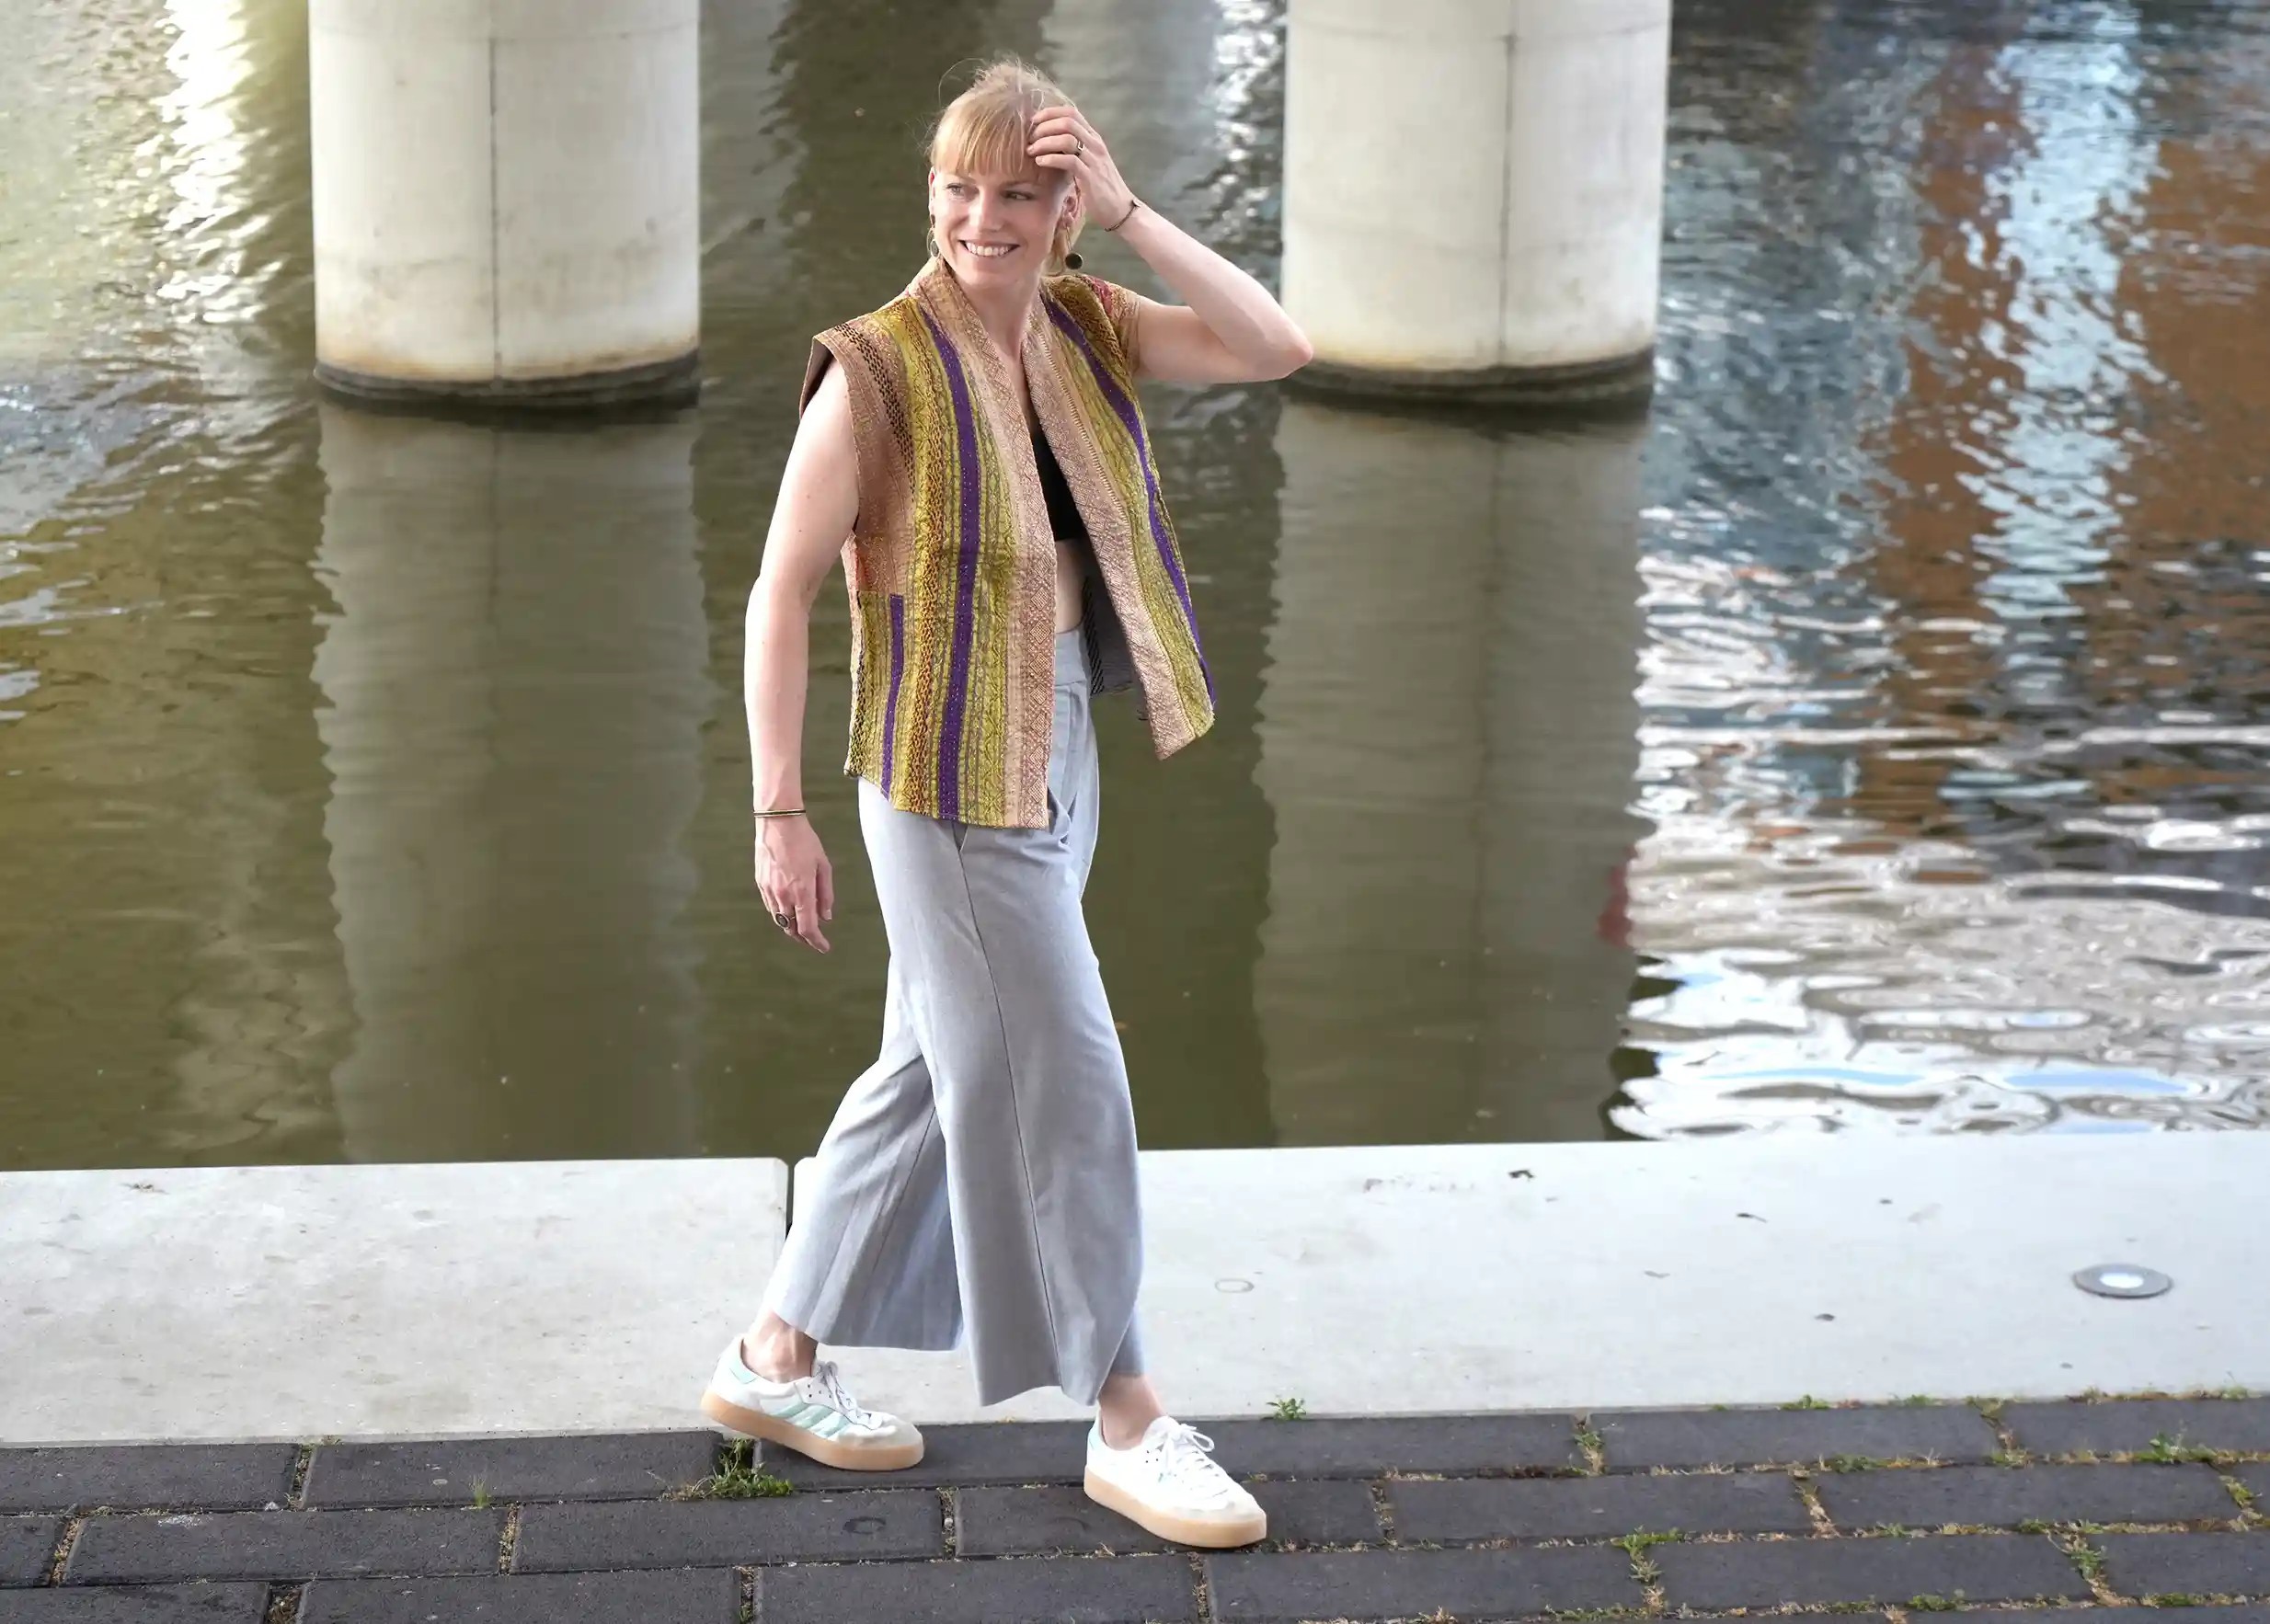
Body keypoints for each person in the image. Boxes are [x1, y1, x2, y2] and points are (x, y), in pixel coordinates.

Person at [697, 56, 1313, 1550]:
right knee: (1064, 1081)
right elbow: (779, 593)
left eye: (1023, 192)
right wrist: (780, 810)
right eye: (961, 188)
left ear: (1062, 207)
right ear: (930, 194)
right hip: (944, 785)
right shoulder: (876, 368)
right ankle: (1126, 1412)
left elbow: (1273, 345)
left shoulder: (1090, 326)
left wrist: (1137, 212)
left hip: (1056, 756)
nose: (987, 217)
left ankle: (772, 1359)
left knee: (928, 1071)